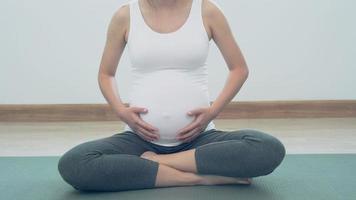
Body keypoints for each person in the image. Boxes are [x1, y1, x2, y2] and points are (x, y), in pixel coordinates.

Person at [58, 0, 286, 192]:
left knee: (268, 149)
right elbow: (106, 74)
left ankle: (157, 164)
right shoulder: (126, 15)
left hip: (200, 140)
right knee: (74, 164)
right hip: (139, 140)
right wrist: (120, 110)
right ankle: (197, 178)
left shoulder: (206, 11)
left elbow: (239, 69)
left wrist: (212, 111)